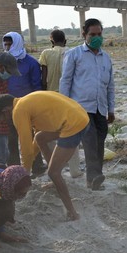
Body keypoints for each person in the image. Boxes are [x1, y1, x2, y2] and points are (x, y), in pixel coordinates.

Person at [0, 92, 90, 221]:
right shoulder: (25, 101)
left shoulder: (18, 111)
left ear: (6, 111)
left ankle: (72, 212)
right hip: (81, 116)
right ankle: (56, 182)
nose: (8, 121)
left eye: (5, 118)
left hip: (73, 124)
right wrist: (28, 163)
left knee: (53, 173)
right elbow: (35, 140)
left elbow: (25, 147)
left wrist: (23, 174)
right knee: (40, 138)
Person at [60, 18, 115, 191]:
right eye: (93, 34)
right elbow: (65, 81)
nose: (97, 37)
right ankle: (94, 176)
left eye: (99, 34)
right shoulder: (74, 54)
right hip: (80, 108)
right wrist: (65, 108)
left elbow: (110, 86)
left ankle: (94, 178)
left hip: (100, 108)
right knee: (90, 141)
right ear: (84, 34)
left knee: (99, 142)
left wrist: (111, 109)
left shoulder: (106, 58)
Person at [40, 29, 81, 178]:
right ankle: (75, 170)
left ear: (51, 42)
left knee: (51, 134)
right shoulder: (72, 52)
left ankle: (56, 167)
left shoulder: (45, 53)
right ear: (65, 41)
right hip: (68, 99)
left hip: (51, 98)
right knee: (70, 133)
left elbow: (43, 79)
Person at [3, 31, 43, 168]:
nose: (7, 47)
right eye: (6, 44)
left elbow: (37, 86)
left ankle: (36, 165)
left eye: (10, 44)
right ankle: (14, 168)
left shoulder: (31, 63)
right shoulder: (3, 62)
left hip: (27, 106)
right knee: (11, 138)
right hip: (9, 106)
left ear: (18, 43)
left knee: (30, 137)